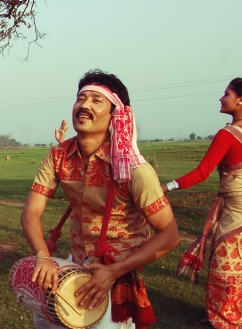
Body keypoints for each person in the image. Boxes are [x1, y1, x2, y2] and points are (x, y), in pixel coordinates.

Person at [19, 69, 180, 329]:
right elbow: (30, 212)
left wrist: (115, 271)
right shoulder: (58, 156)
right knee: (46, 320)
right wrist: (42, 254)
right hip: (77, 260)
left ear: (116, 114)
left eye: (97, 100)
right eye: (81, 98)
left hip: (118, 269)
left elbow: (170, 234)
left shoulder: (135, 169)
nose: (84, 105)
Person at [166, 78, 242, 328]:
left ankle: (226, 318)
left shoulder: (227, 135)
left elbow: (201, 173)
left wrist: (167, 187)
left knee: (225, 264)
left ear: (240, 100)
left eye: (226, 94)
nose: (221, 98)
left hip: (235, 211)